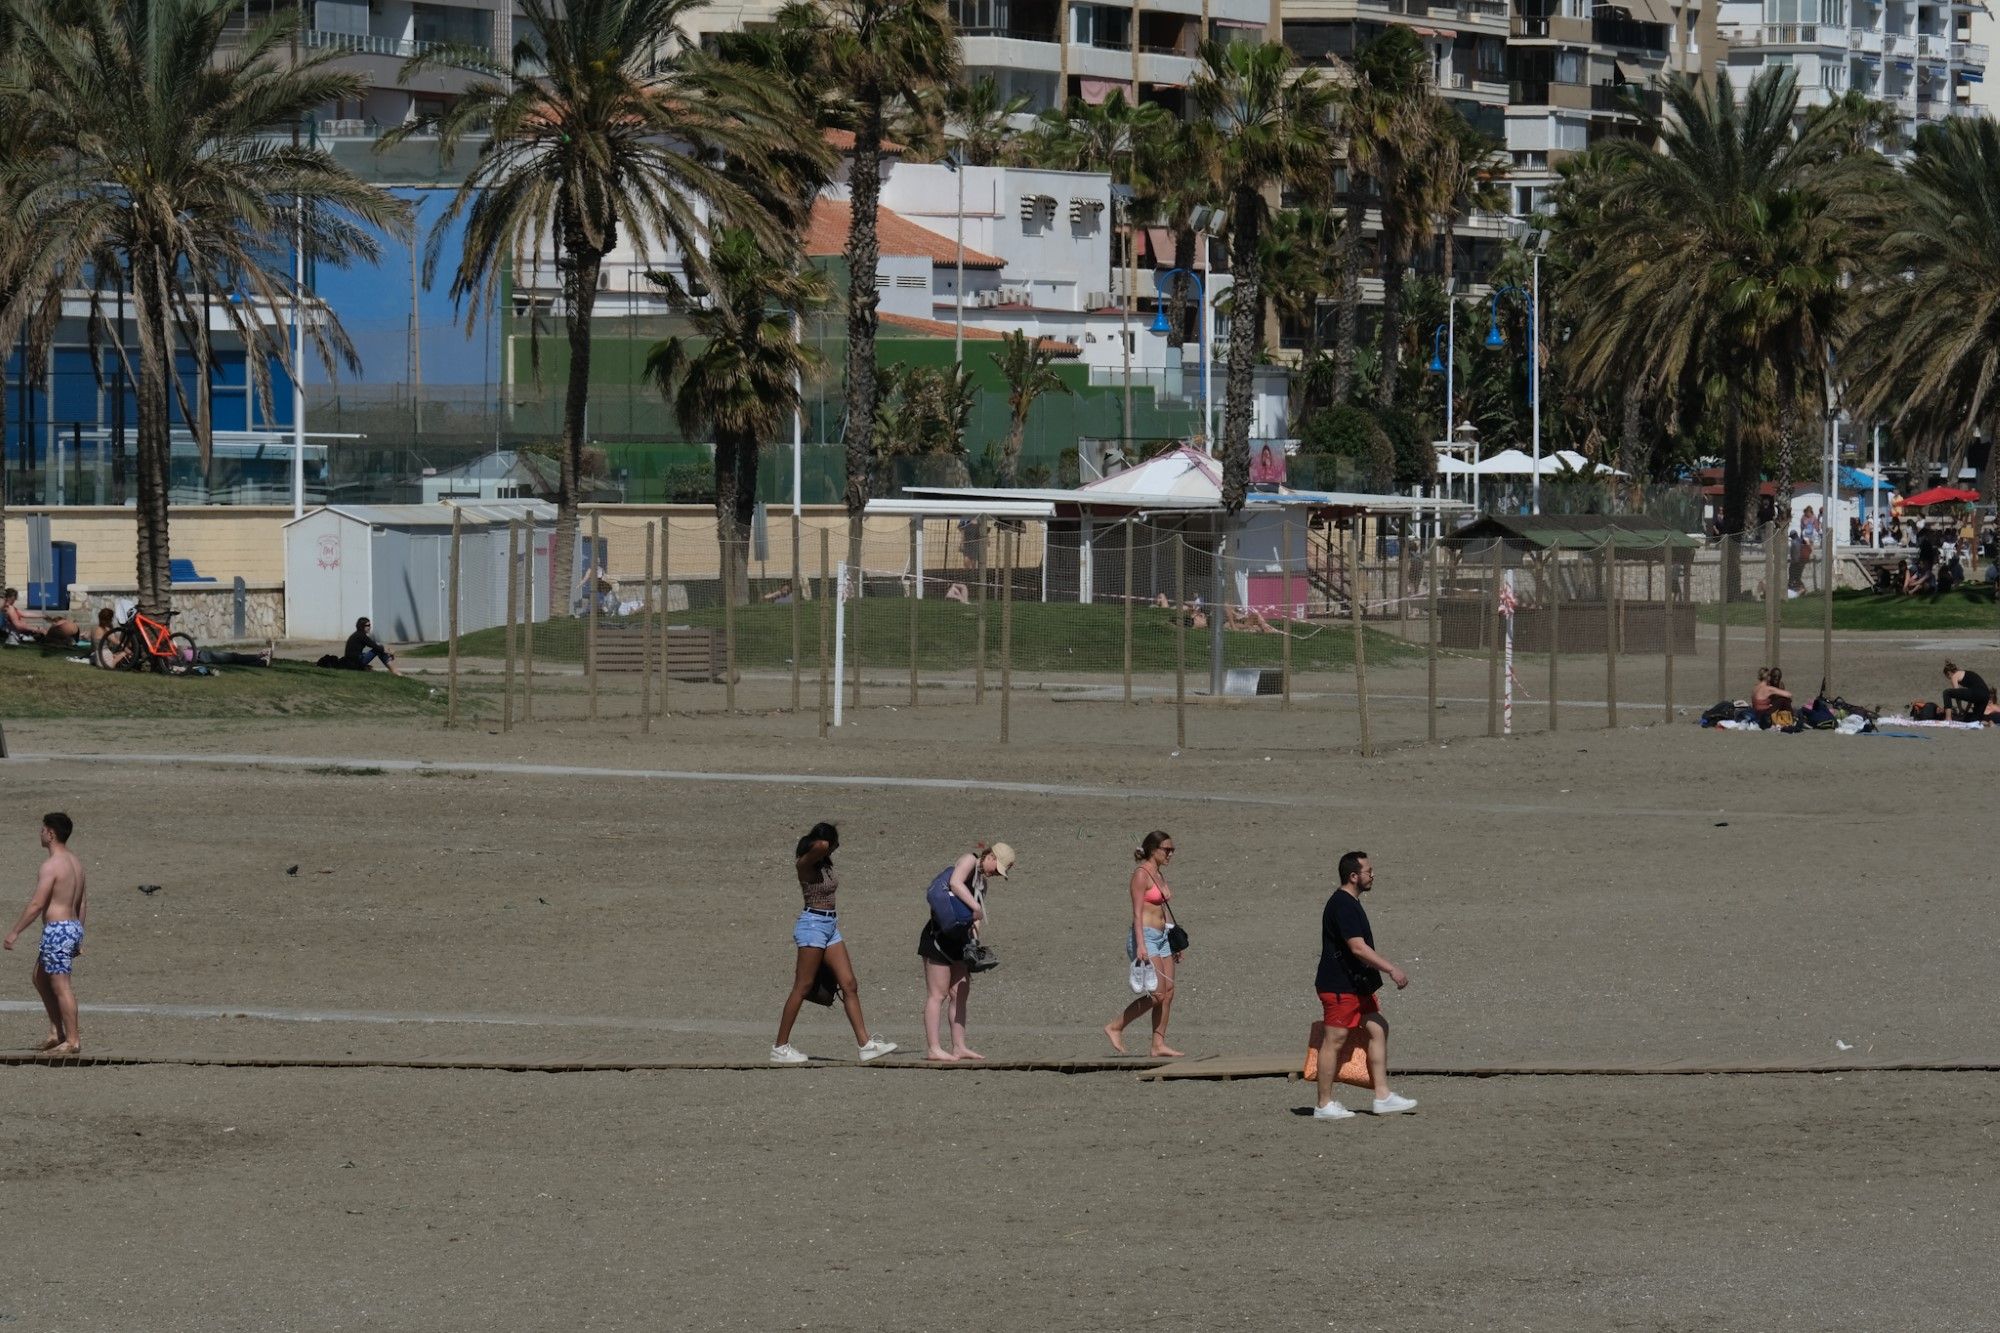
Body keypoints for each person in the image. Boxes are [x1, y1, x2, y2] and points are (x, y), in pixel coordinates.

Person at [770, 823, 897, 1065]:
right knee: (803, 986)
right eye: (835, 844)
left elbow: (823, 847)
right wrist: (824, 841)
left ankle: (865, 1044)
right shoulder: (805, 864)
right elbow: (820, 845)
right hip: (812, 926)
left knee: (849, 983)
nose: (835, 849)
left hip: (830, 926)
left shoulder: (824, 864)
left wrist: (828, 845)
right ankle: (780, 1046)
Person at [1312, 851, 1416, 1119]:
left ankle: (1382, 1097)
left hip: (1356, 985)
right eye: (1369, 871)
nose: (1373, 875)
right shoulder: (1343, 904)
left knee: (1378, 1028)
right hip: (1338, 986)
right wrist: (1391, 968)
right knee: (1334, 1040)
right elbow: (1357, 948)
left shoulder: (1350, 902)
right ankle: (1323, 1105)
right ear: (1353, 876)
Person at [918, 842, 1015, 1062]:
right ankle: (934, 1048)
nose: (996, 874)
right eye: (996, 868)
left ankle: (959, 1046)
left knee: (960, 993)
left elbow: (975, 920)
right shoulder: (969, 860)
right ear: (989, 855)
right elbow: (955, 882)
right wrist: (975, 907)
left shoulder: (982, 885)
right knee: (938, 994)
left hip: (960, 940)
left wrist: (975, 942)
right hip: (938, 936)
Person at [4, 813, 88, 1057]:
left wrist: (14, 932)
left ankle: (72, 1040)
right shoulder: (76, 863)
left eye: (42, 830)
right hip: (71, 926)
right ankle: (56, 1033)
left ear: (51, 833)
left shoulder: (52, 865)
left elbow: (36, 904)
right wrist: (78, 934)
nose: (40, 833)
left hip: (58, 929)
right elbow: (82, 903)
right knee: (40, 977)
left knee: (61, 986)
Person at [1104, 831, 1184, 1058]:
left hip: (1162, 937)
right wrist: (1140, 945)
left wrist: (1173, 940)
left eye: (1172, 850)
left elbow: (1162, 910)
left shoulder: (1158, 874)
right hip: (1145, 937)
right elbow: (1137, 914)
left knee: (1168, 992)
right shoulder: (1141, 875)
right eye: (1166, 849)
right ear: (1152, 850)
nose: (1170, 854)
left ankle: (1158, 1045)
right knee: (1157, 994)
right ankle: (1115, 1026)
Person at [2, 588, 78, 646]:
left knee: (44, 635)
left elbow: (25, 613)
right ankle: (66, 642)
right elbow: (18, 625)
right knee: (44, 635)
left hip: (17, 634)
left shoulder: (11, 608)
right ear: (9, 597)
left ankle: (65, 642)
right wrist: (36, 629)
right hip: (13, 636)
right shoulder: (10, 608)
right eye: (14, 598)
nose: (15, 600)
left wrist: (42, 616)